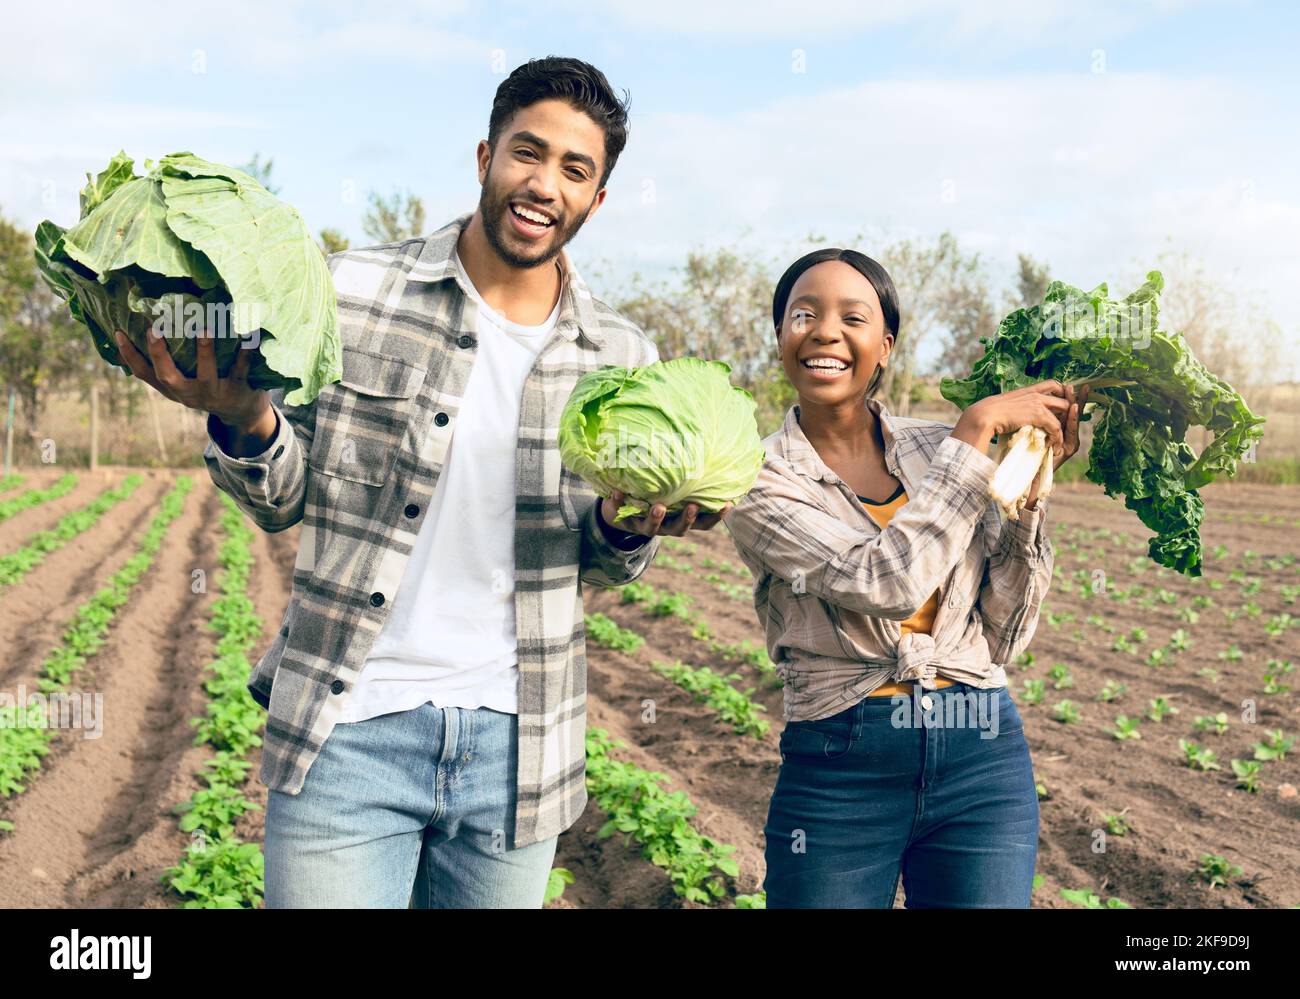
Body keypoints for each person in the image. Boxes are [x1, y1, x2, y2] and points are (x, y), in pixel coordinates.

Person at [112, 56, 728, 908]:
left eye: (574, 170)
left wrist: (630, 527)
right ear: (486, 158)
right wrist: (244, 416)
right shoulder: (351, 290)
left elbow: (602, 559)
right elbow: (282, 498)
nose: (544, 183)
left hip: (520, 749)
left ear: (597, 199)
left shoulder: (620, 357)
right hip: (350, 731)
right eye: (528, 153)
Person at [724, 248, 1087, 908]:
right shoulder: (753, 479)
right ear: (781, 337)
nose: (826, 331)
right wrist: (978, 430)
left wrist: (1028, 494)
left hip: (984, 754)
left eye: (852, 317)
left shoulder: (938, 448)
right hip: (842, 766)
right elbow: (883, 581)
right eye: (803, 314)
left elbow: (1007, 633)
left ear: (885, 345)